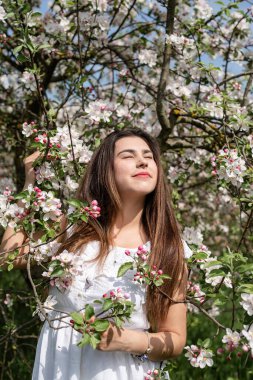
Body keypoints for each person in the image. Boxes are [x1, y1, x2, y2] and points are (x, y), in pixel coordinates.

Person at [0, 128, 192, 380]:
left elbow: (174, 339)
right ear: (106, 169)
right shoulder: (72, 231)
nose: (143, 161)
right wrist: (29, 186)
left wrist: (127, 340)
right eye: (128, 155)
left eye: (148, 156)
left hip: (125, 371)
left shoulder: (166, 247)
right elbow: (8, 258)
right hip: (61, 367)